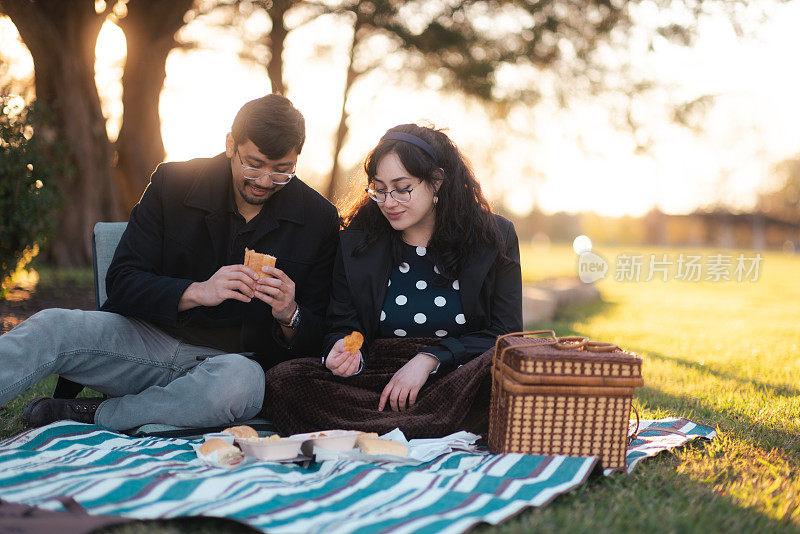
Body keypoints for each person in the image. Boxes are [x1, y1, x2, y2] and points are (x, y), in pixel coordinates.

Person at [0, 94, 340, 431]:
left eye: (282, 172)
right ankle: (148, 408)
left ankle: (93, 414)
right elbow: (121, 281)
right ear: (230, 145)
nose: (265, 181)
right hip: (145, 340)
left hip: (235, 365)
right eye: (253, 164)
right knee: (53, 326)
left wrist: (290, 314)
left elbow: (323, 332)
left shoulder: (320, 218)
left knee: (237, 386)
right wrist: (197, 291)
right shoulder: (173, 183)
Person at [263, 123, 522, 438]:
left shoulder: (494, 237)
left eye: (402, 188)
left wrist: (431, 358)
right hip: (379, 379)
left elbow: (505, 335)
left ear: (437, 182)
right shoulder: (358, 242)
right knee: (284, 381)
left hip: (459, 376)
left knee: (505, 374)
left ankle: (384, 430)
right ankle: (437, 428)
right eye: (379, 189)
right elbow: (345, 323)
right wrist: (345, 350)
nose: (388, 202)